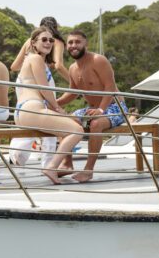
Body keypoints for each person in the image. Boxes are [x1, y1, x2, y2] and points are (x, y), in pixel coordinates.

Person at [13, 27, 84, 184]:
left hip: (25, 111)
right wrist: (59, 109)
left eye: (51, 40)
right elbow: (44, 89)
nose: (48, 43)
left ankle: (60, 165)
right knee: (77, 130)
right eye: (44, 39)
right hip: (32, 109)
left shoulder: (33, 60)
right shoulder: (36, 59)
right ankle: (51, 167)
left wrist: (59, 112)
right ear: (33, 43)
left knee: (70, 127)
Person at [57, 30, 128, 182]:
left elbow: (110, 87)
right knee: (65, 122)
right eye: (70, 42)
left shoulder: (98, 60)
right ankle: (67, 164)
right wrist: (52, 103)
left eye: (77, 42)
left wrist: (101, 110)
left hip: (115, 106)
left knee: (96, 123)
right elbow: (72, 93)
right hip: (92, 108)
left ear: (85, 44)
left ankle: (88, 170)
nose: (73, 45)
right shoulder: (72, 68)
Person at [9, 17, 69, 167]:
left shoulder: (30, 41)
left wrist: (29, 66)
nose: (48, 42)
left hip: (23, 82)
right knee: (48, 118)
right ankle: (48, 163)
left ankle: (18, 155)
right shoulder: (56, 40)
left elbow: (14, 66)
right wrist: (74, 82)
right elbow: (60, 65)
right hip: (42, 79)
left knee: (29, 119)